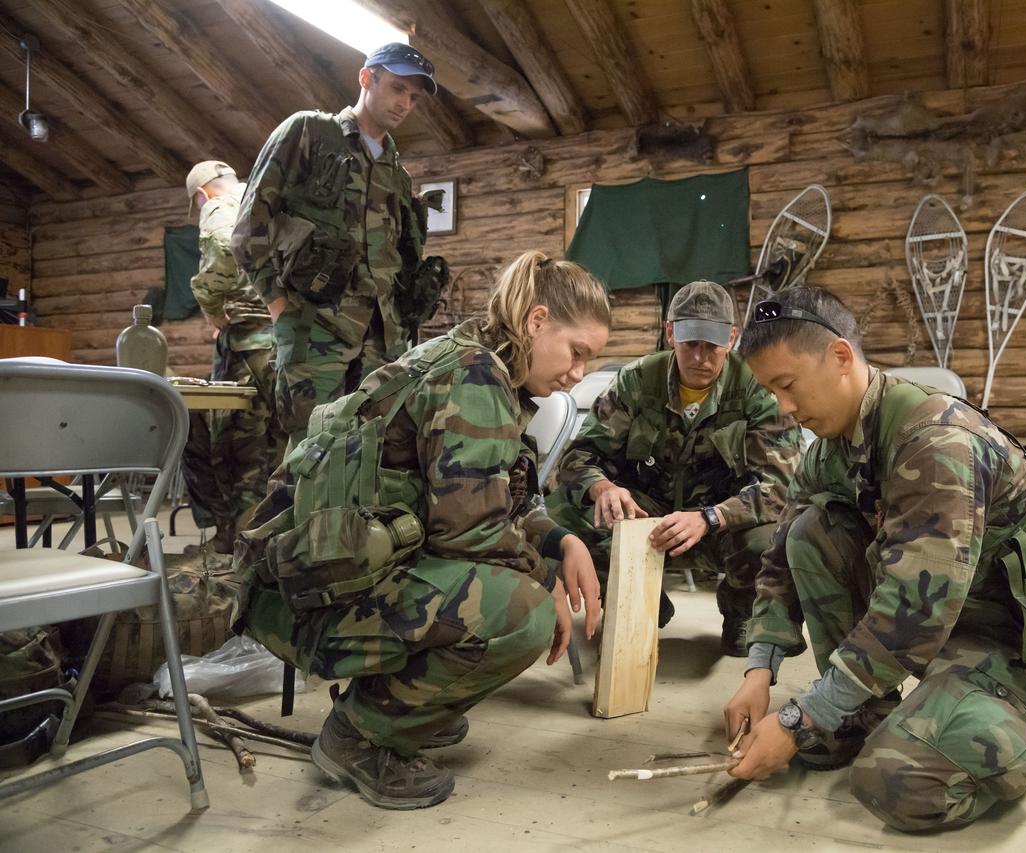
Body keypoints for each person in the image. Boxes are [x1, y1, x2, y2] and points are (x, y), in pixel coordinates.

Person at [233, 251, 611, 810]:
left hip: (315, 577)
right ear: (535, 321)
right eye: (576, 352)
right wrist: (546, 576)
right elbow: (471, 535)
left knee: (513, 587)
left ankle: (395, 705)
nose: (578, 374)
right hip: (303, 598)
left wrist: (561, 540)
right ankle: (360, 737)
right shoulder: (475, 376)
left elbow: (499, 497)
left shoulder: (483, 365)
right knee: (521, 613)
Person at [722, 287, 1026, 832]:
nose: (784, 408)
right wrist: (758, 669)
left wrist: (796, 718)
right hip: (938, 631)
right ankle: (862, 710)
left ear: (839, 356)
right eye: (770, 391)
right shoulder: (830, 449)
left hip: (1017, 645)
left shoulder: (936, 442)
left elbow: (914, 611)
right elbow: (782, 561)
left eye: (787, 385)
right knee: (811, 530)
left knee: (894, 784)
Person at [547, 280, 803, 656]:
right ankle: (637, 594)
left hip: (721, 527)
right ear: (670, 334)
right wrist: (602, 487)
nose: (701, 357)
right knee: (560, 513)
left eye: (712, 345)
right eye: (690, 344)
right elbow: (575, 459)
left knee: (776, 539)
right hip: (646, 519)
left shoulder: (757, 390)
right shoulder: (637, 381)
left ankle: (741, 610)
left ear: (732, 338)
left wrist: (710, 518)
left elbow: (781, 488)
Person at [232, 42, 440, 445]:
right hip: (315, 329)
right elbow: (249, 225)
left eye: (413, 97)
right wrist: (278, 304)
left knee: (369, 454)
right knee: (309, 454)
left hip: (381, 341)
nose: (405, 104)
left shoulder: (398, 175)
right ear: (367, 78)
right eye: (398, 88)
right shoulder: (310, 132)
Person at [181, 160, 281, 552]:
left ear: (202, 194)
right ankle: (269, 543)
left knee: (235, 447)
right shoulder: (268, 202)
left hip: (246, 342)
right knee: (274, 443)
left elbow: (223, 247)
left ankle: (235, 544)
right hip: (285, 341)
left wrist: (210, 303)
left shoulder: (219, 206)